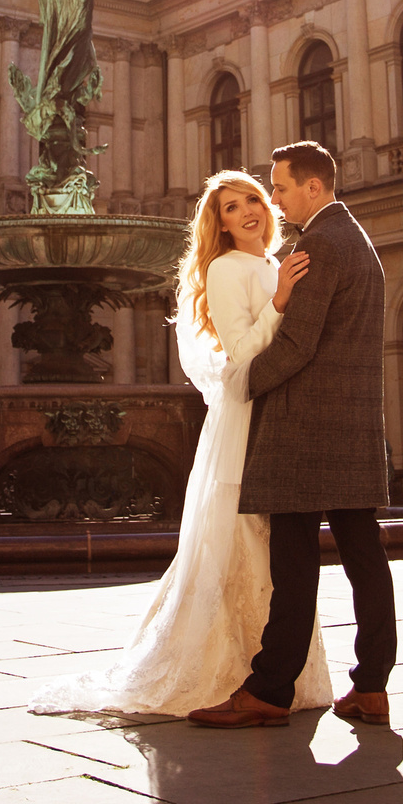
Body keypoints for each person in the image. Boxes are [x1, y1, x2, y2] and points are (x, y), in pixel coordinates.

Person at [29, 169, 331, 717]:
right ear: (217, 224)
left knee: (275, 552)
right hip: (244, 417)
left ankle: (278, 672)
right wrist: (281, 299)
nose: (246, 213)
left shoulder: (276, 261)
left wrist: (283, 286)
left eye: (251, 201)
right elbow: (239, 351)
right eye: (230, 208)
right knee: (241, 541)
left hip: (283, 416)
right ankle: (230, 673)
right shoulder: (224, 268)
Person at [191, 141, 395, 730]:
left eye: (278, 188)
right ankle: (372, 686)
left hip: (303, 427)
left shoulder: (320, 246)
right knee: (364, 556)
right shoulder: (357, 241)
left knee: (295, 564)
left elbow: (297, 343)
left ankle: (269, 690)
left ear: (312, 187)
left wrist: (242, 382)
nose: (274, 199)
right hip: (352, 426)